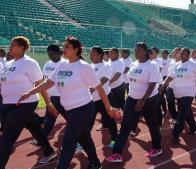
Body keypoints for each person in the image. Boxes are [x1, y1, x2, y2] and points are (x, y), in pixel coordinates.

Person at [18, 36, 120, 169]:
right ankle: (95, 163)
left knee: (68, 141)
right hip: (69, 109)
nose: (63, 49)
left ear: (76, 49)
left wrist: (108, 108)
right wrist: (30, 92)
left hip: (83, 109)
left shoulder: (83, 67)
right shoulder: (62, 65)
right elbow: (48, 83)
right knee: (84, 138)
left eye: (67, 47)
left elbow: (99, 88)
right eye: (63, 46)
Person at [0, 36, 57, 169]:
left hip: (25, 103)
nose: (10, 47)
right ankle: (49, 151)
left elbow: (40, 84)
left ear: (22, 47)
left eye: (13, 45)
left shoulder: (30, 63)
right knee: (33, 126)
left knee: (7, 137)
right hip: (6, 103)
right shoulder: (8, 64)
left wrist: (48, 103)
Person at [107, 42, 162, 162]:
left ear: (145, 51)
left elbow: (153, 84)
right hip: (132, 98)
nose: (136, 52)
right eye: (135, 50)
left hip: (149, 99)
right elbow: (131, 82)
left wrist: (143, 100)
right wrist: (131, 97)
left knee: (152, 124)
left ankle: (157, 147)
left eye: (138, 50)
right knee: (125, 125)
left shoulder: (152, 65)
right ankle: (117, 153)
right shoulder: (133, 64)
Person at [161, 48, 196, 144]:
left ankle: (176, 134)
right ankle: (193, 126)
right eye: (180, 53)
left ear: (188, 55)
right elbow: (170, 77)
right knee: (186, 110)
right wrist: (163, 85)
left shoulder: (193, 65)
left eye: (183, 53)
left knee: (181, 113)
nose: (181, 55)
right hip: (178, 93)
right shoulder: (176, 65)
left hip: (189, 92)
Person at [29, 44, 67, 147]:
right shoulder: (47, 63)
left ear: (60, 53)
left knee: (71, 121)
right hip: (50, 98)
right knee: (49, 120)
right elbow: (43, 79)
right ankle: (42, 141)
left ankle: (76, 141)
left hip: (62, 98)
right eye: (49, 54)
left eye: (52, 54)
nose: (50, 56)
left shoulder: (65, 64)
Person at [90, 46, 118, 148]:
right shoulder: (90, 66)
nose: (90, 56)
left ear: (100, 55)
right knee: (88, 121)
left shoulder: (106, 66)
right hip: (92, 99)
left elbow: (104, 80)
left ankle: (115, 140)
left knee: (109, 119)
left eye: (93, 53)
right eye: (90, 53)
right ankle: (82, 143)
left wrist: (92, 89)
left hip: (105, 97)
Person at [166, 48, 181, 124]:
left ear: (180, 53)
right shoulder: (171, 62)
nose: (173, 53)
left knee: (180, 103)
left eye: (175, 52)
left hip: (180, 87)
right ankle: (174, 117)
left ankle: (180, 118)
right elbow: (169, 74)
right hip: (171, 86)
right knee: (170, 102)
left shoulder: (184, 63)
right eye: (173, 52)